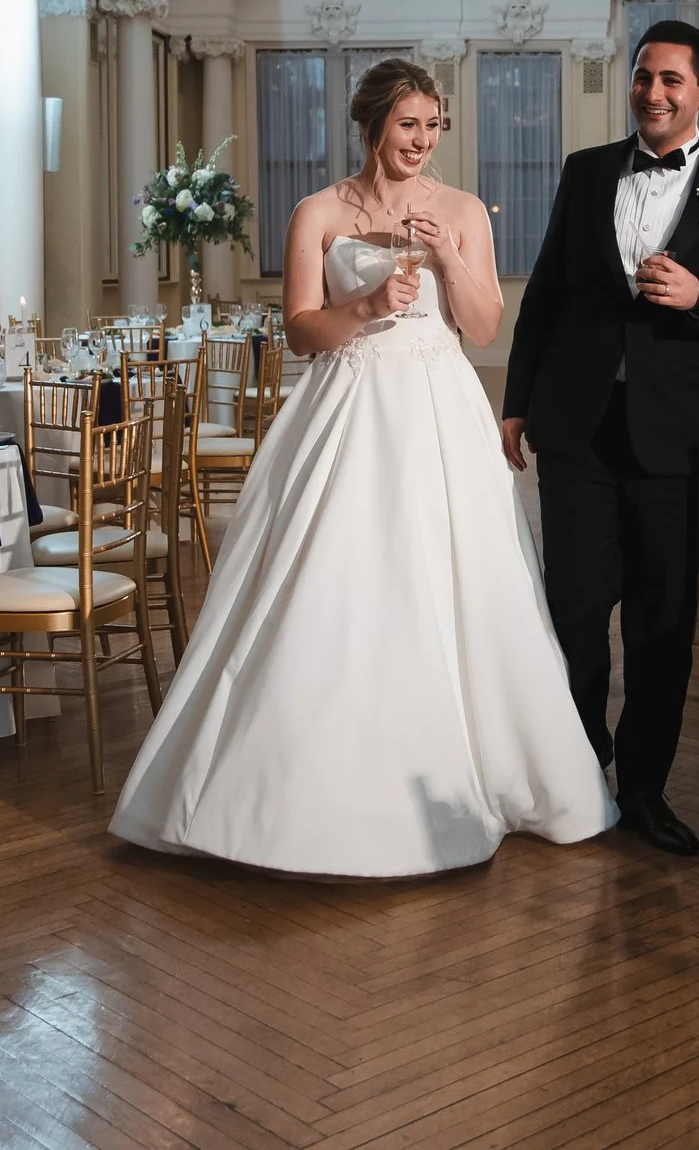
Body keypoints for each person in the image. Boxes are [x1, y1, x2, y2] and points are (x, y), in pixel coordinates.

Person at [110, 59, 614, 877]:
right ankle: (284, 791)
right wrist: (367, 305)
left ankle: (471, 773)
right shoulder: (317, 211)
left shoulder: (460, 211)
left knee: (449, 579)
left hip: (437, 409)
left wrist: (451, 258)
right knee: (331, 577)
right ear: (374, 123)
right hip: (345, 403)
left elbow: (484, 327)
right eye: (409, 123)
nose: (423, 140)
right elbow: (302, 330)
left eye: (433, 125)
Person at [500, 20, 699, 856]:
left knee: (663, 624)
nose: (652, 93)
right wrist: (517, 401)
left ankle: (647, 791)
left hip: (673, 436)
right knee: (578, 613)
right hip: (576, 428)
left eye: (670, 80)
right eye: (642, 78)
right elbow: (546, 295)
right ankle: (583, 769)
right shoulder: (585, 172)